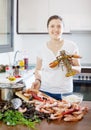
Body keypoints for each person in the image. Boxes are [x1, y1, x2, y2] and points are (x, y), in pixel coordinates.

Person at [31, 15, 81, 100]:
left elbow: (79, 69)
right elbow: (38, 69)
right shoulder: (41, 48)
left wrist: (70, 67)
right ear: (48, 29)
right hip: (45, 91)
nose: (56, 29)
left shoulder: (71, 46)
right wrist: (38, 80)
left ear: (63, 29)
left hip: (65, 92)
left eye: (59, 26)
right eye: (52, 26)